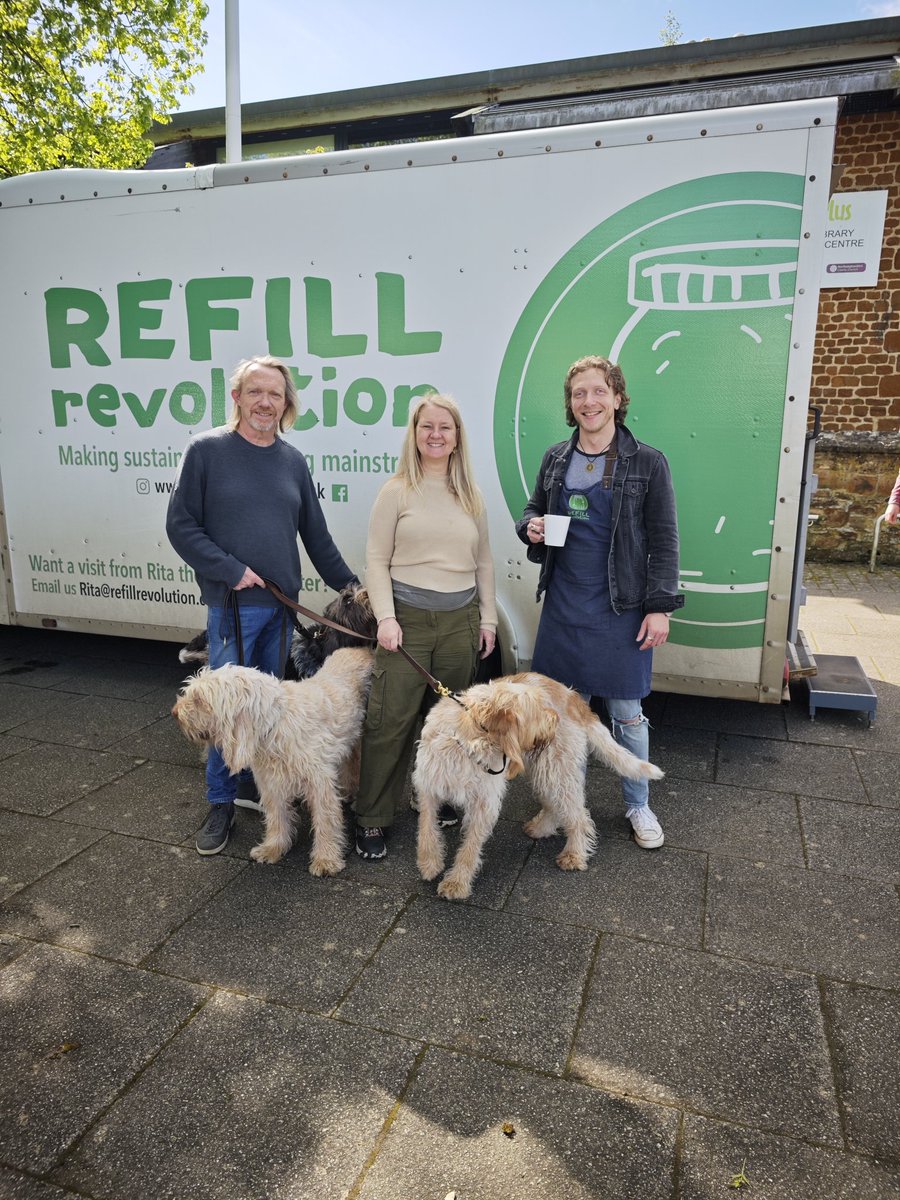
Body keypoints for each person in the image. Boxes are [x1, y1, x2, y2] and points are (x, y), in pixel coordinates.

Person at [167, 354, 358, 856]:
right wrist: (231, 569)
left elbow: (317, 538)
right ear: (237, 397)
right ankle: (221, 803)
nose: (266, 403)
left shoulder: (292, 460)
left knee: (268, 711)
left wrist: (356, 591)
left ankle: (257, 787)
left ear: (286, 403)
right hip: (232, 607)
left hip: (281, 609)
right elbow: (182, 526)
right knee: (220, 711)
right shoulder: (206, 451)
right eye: (256, 392)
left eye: (276, 394)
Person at [516, 355, 683, 849]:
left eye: (597, 391)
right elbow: (531, 510)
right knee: (564, 718)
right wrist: (531, 526)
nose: (588, 402)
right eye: (578, 394)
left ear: (616, 397)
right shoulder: (554, 459)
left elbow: (665, 539)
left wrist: (659, 607)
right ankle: (562, 805)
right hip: (564, 607)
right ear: (571, 405)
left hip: (622, 608)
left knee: (627, 714)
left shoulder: (647, 462)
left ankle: (638, 804)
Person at [353, 394, 497, 861]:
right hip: (407, 622)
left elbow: (484, 563)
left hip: (460, 622)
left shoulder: (471, 495)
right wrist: (386, 618)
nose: (436, 435)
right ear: (414, 435)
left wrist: (488, 619)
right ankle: (372, 817)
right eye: (426, 427)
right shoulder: (396, 490)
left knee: (452, 725)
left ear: (457, 439)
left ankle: (435, 796)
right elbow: (376, 559)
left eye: (445, 428)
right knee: (389, 722)